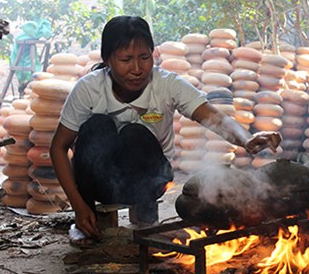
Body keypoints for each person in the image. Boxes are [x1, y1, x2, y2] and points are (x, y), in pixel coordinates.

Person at [49, 15, 282, 245]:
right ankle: (85, 223)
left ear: (153, 54)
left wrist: (246, 139)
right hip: (98, 184)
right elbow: (58, 148)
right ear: (107, 59)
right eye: (126, 59)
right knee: (96, 125)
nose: (137, 68)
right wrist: (78, 207)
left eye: (144, 57)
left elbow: (212, 115)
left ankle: (146, 220)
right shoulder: (89, 89)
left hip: (149, 182)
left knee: (135, 133)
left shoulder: (167, 84)